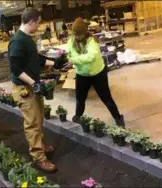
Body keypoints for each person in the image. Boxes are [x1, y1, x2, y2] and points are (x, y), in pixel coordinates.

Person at [8, 7, 64, 172]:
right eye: (38, 23)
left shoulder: (27, 39)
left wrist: (55, 63)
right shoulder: (17, 41)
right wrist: (34, 83)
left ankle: (40, 145)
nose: (39, 26)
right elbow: (16, 69)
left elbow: (35, 59)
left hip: (32, 86)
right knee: (32, 124)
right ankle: (39, 158)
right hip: (25, 88)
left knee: (38, 120)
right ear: (31, 21)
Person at [63, 18, 125, 127]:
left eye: (79, 35)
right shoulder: (71, 41)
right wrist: (71, 59)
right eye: (75, 35)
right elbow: (70, 54)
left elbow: (90, 57)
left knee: (107, 99)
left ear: (84, 32)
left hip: (98, 74)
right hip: (82, 75)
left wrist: (74, 60)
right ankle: (78, 116)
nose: (77, 37)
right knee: (80, 99)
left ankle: (118, 119)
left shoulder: (92, 41)